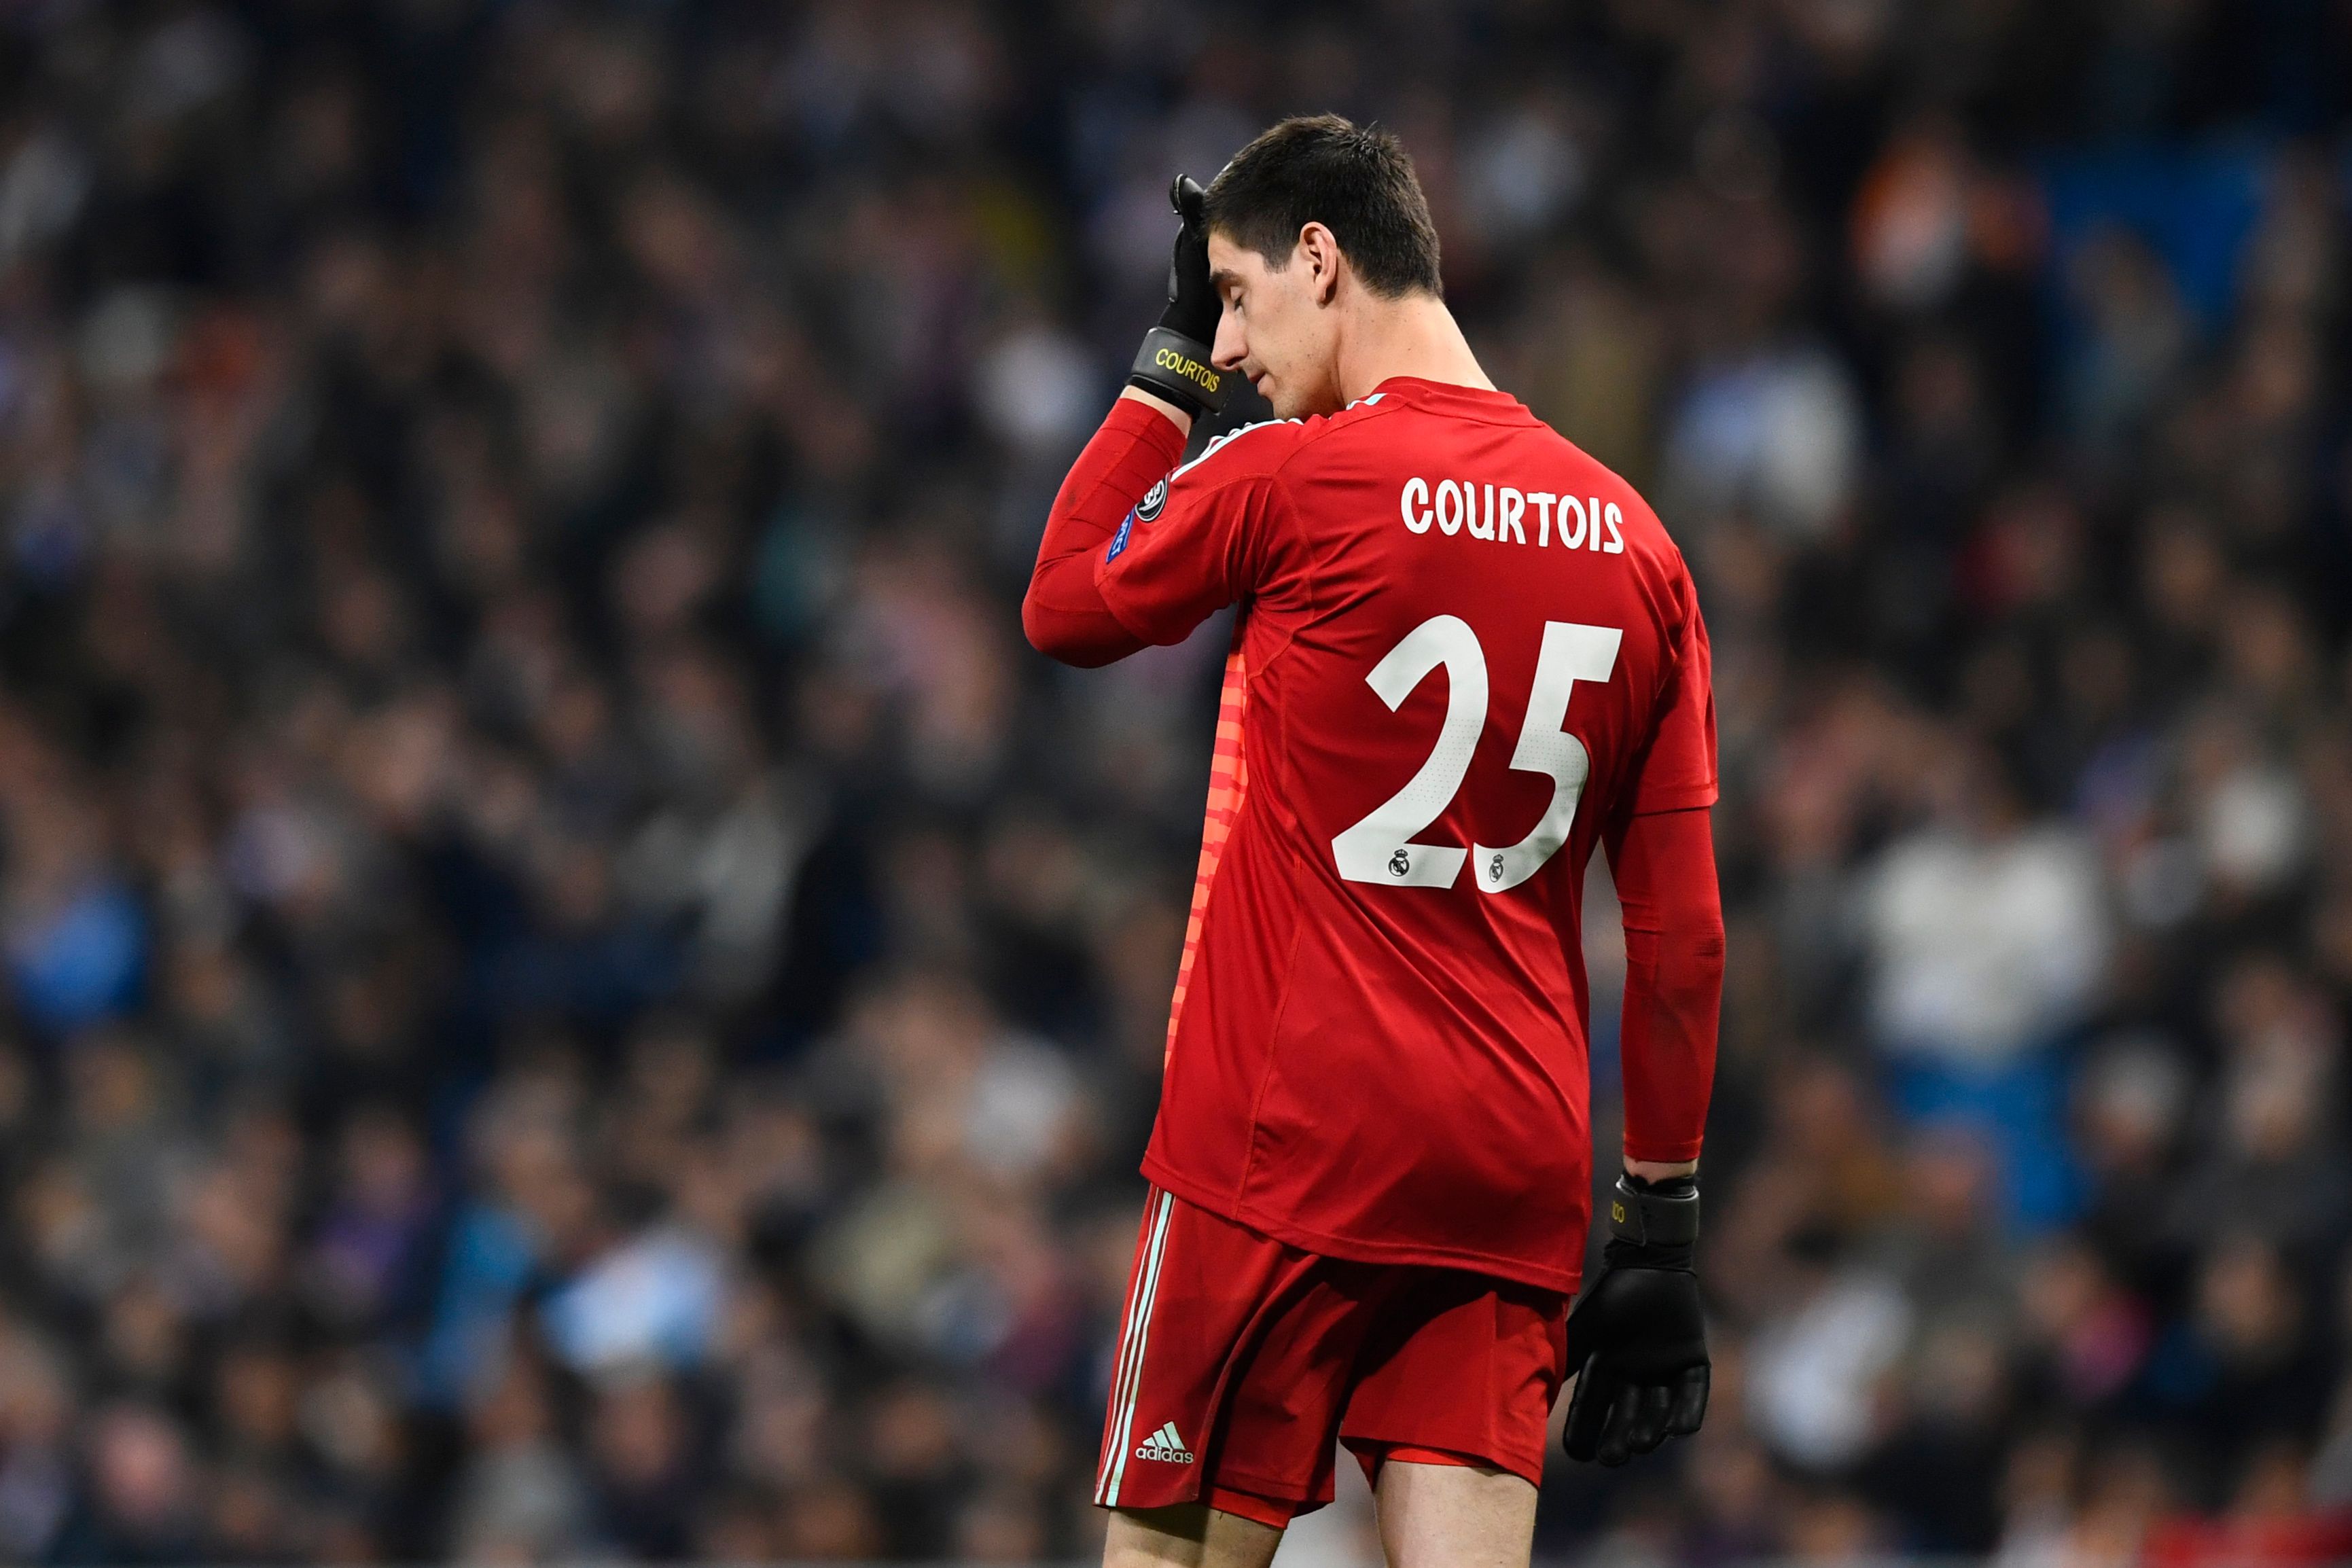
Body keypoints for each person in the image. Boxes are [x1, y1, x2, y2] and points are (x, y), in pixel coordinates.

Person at [1023, 115, 1726, 1568]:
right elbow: (1681, 933)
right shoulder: (1640, 543)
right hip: (1507, 1159)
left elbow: (1066, 604)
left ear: (1321, 259)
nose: (1228, 339)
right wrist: (1658, 1218)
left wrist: (1160, 359)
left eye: (1230, 290)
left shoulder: (1292, 476)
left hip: (1281, 1146)